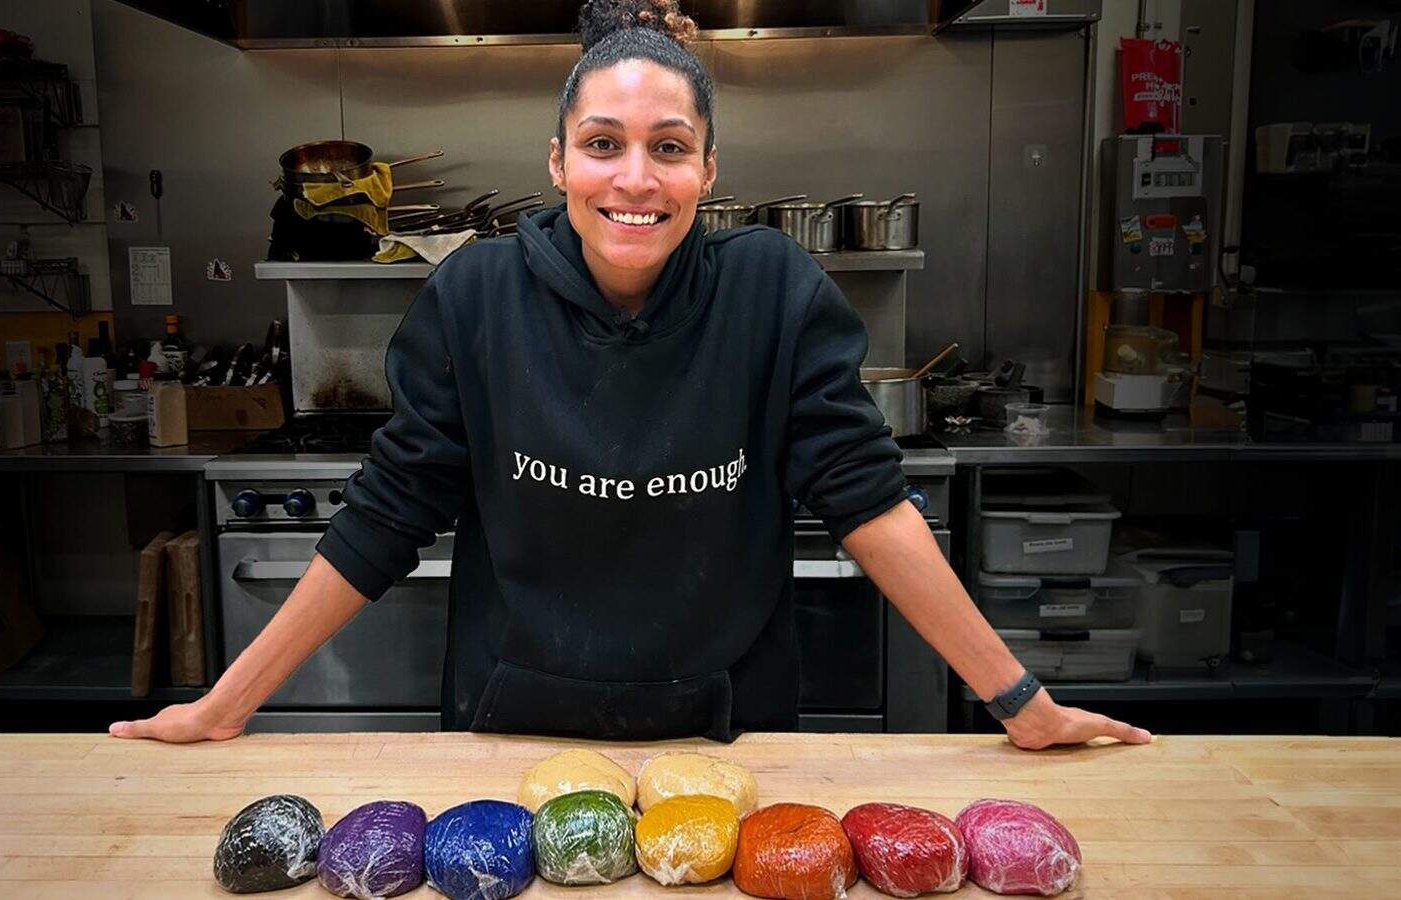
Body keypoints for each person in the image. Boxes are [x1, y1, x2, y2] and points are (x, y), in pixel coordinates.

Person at [111, 0, 1150, 751]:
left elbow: (867, 500)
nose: (636, 178)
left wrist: (1020, 701)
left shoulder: (773, 293)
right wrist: (223, 706)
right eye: (603, 144)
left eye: (670, 146)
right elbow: (386, 514)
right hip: (513, 726)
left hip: (728, 731)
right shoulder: (474, 299)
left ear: (709, 167)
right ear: (558, 159)